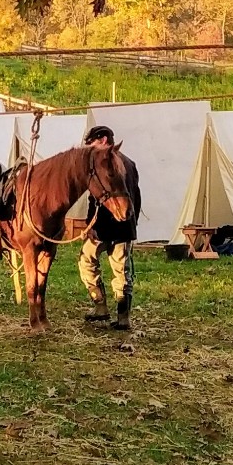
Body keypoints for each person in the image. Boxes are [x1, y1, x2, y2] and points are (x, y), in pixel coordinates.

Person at [80, 124, 141, 331]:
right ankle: (106, 310)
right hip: (114, 227)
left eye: (93, 143)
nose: (90, 147)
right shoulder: (129, 162)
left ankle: (112, 312)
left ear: (104, 140)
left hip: (111, 227)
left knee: (118, 270)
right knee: (93, 263)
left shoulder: (109, 164)